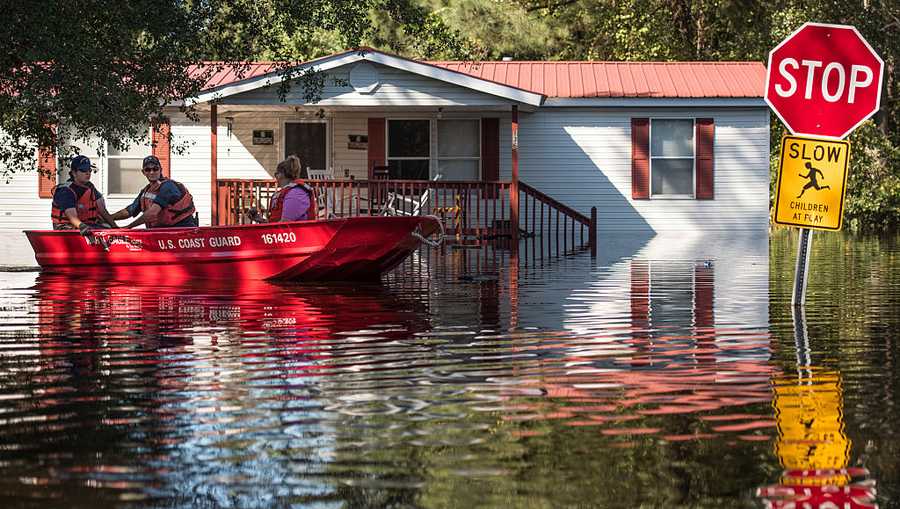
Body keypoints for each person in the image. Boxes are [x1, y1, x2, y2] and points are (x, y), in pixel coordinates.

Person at [109, 155, 198, 228]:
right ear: (143, 172)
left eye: (155, 169)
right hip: (162, 234)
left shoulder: (168, 187)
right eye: (148, 169)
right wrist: (109, 218)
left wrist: (128, 227)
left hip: (182, 233)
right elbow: (130, 210)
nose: (152, 172)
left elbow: (152, 213)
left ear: (160, 170)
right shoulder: (146, 191)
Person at [51, 155, 119, 235]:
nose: (88, 173)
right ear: (74, 173)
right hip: (66, 228)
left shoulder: (90, 186)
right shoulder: (65, 191)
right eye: (83, 170)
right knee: (98, 230)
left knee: (107, 226)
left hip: (86, 225)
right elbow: (72, 216)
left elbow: (102, 210)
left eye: (89, 170)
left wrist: (115, 227)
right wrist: (82, 226)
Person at [248, 156, 317, 223]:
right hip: (282, 233)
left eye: (276, 174)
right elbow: (276, 225)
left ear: (281, 175)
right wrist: (259, 219)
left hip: (294, 233)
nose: (275, 178)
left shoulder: (296, 193)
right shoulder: (287, 192)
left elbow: (285, 224)